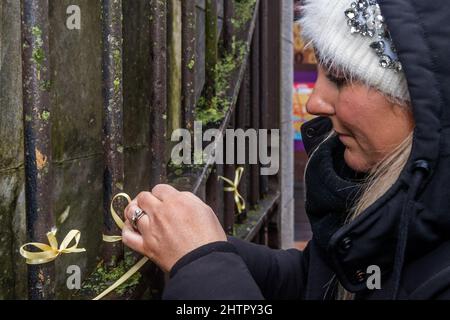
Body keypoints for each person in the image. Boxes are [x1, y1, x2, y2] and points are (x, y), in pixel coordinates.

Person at [121, 0, 450, 299]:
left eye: (338, 77)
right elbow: (316, 283)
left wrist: (203, 266)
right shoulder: (394, 201)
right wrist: (206, 246)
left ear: (422, 100)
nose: (315, 102)